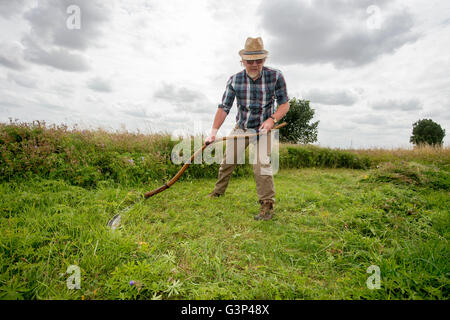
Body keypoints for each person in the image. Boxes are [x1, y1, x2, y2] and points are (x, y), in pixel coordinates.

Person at [205, 37, 290, 221]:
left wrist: (271, 120)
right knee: (228, 161)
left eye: (258, 60)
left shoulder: (275, 76)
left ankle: (267, 205)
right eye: (249, 61)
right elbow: (224, 108)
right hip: (242, 128)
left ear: (264, 60)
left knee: (261, 164)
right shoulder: (234, 80)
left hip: (264, 129)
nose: (254, 64)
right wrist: (213, 132)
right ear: (242, 61)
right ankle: (218, 193)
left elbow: (284, 104)